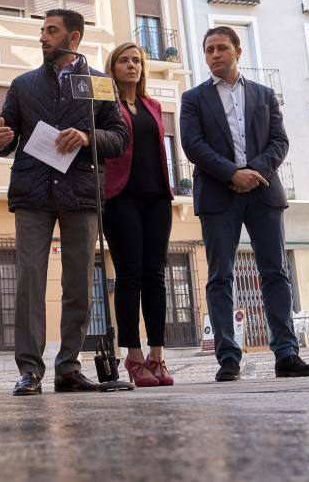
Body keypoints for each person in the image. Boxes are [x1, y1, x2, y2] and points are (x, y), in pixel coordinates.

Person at [0, 9, 128, 395]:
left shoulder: (99, 84)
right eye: (42, 31)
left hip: (81, 193)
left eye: (52, 31)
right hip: (33, 192)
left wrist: (86, 137)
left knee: (79, 283)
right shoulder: (22, 84)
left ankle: (68, 368)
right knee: (29, 281)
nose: (43, 38)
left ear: (74, 38)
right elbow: (6, 134)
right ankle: (29, 371)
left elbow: (119, 138)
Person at [180, 26, 309, 381]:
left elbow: (279, 141)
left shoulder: (264, 95)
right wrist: (232, 174)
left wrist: (253, 171)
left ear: (238, 52)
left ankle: (286, 353)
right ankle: (228, 357)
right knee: (219, 277)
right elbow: (193, 145)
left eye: (221, 48)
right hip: (217, 194)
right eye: (208, 49)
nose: (214, 55)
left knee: (275, 273)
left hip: (263, 192)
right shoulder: (193, 99)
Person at [103, 43, 174, 387]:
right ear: (112, 67)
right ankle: (133, 356)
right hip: (121, 197)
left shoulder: (154, 106)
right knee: (129, 276)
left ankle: (157, 356)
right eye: (123, 60)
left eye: (136, 61)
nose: (131, 65)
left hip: (158, 197)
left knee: (156, 276)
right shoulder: (105, 107)